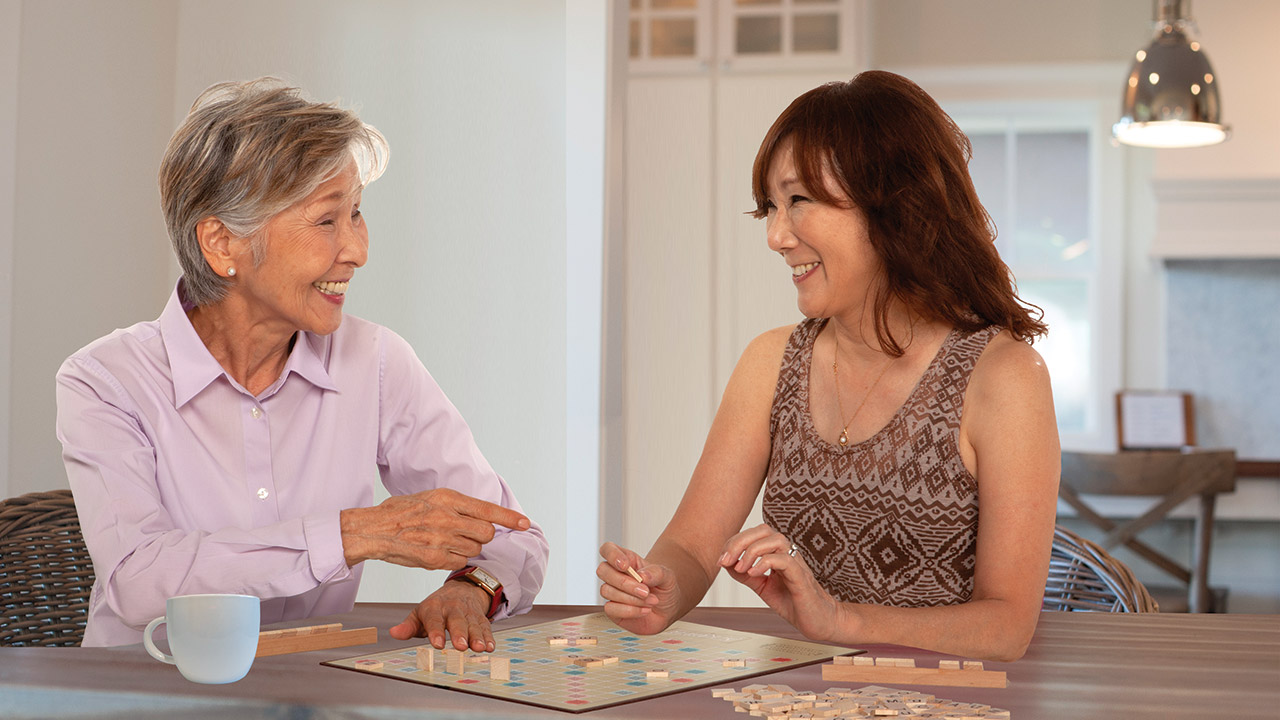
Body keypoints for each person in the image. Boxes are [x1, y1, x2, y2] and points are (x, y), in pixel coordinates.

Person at [56, 78, 548, 649]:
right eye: (325, 221)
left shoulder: (375, 360)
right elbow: (140, 580)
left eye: (356, 214)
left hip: (308, 686)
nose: (358, 250)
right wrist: (354, 534)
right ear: (221, 243)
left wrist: (473, 587)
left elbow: (511, 536)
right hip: (146, 687)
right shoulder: (105, 381)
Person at [597, 71, 1060, 662]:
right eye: (771, 206)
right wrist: (661, 590)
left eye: (798, 201)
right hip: (802, 695)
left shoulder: (1004, 377)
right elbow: (691, 545)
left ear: (893, 206)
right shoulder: (771, 362)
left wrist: (841, 620)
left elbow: (1006, 625)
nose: (775, 236)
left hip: (946, 697)